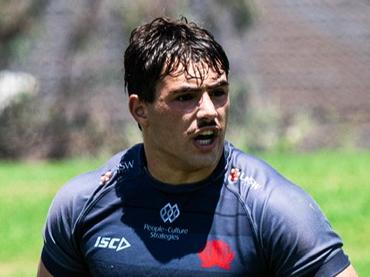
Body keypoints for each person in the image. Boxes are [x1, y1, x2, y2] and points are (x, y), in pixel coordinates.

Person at [37, 17, 357, 277]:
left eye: (218, 93)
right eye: (185, 97)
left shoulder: (273, 209)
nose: (208, 111)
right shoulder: (83, 204)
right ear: (140, 109)